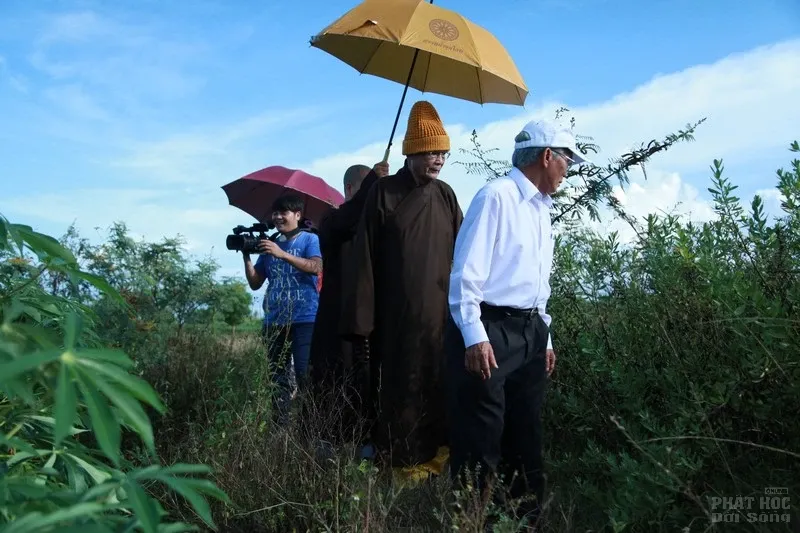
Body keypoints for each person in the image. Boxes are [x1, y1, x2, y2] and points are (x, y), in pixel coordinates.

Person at [446, 119, 589, 526]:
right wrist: (474, 336)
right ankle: (475, 522)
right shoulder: (496, 197)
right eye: (567, 160)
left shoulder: (542, 209)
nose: (568, 169)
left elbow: (537, 283)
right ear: (547, 156)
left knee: (526, 436)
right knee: (481, 439)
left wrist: (544, 338)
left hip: (529, 333)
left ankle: (526, 521)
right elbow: (466, 274)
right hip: (488, 330)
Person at [341, 100, 464, 474]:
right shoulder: (384, 193)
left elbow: (464, 251)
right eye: (431, 152)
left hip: (440, 316)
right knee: (400, 390)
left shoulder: (445, 195)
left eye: (443, 152)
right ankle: (400, 464)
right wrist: (362, 322)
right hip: (395, 316)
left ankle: (438, 459)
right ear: (411, 152)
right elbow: (364, 256)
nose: (439, 159)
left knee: (438, 384)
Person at [308, 160, 390, 443]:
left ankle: (366, 442)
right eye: (368, 188)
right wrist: (372, 185)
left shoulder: (375, 223)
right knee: (333, 383)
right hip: (337, 320)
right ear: (350, 188)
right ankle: (329, 446)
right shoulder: (331, 220)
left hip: (371, 321)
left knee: (368, 385)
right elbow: (347, 220)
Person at [243, 194, 323, 424]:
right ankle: (281, 430)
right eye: (275, 212)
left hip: (305, 318)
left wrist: (282, 254)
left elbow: (316, 267)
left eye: (283, 212)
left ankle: (310, 428)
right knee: (277, 379)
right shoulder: (271, 242)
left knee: (304, 375)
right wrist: (247, 256)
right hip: (274, 320)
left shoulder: (309, 239)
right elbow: (256, 282)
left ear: (297, 215)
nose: (277, 216)